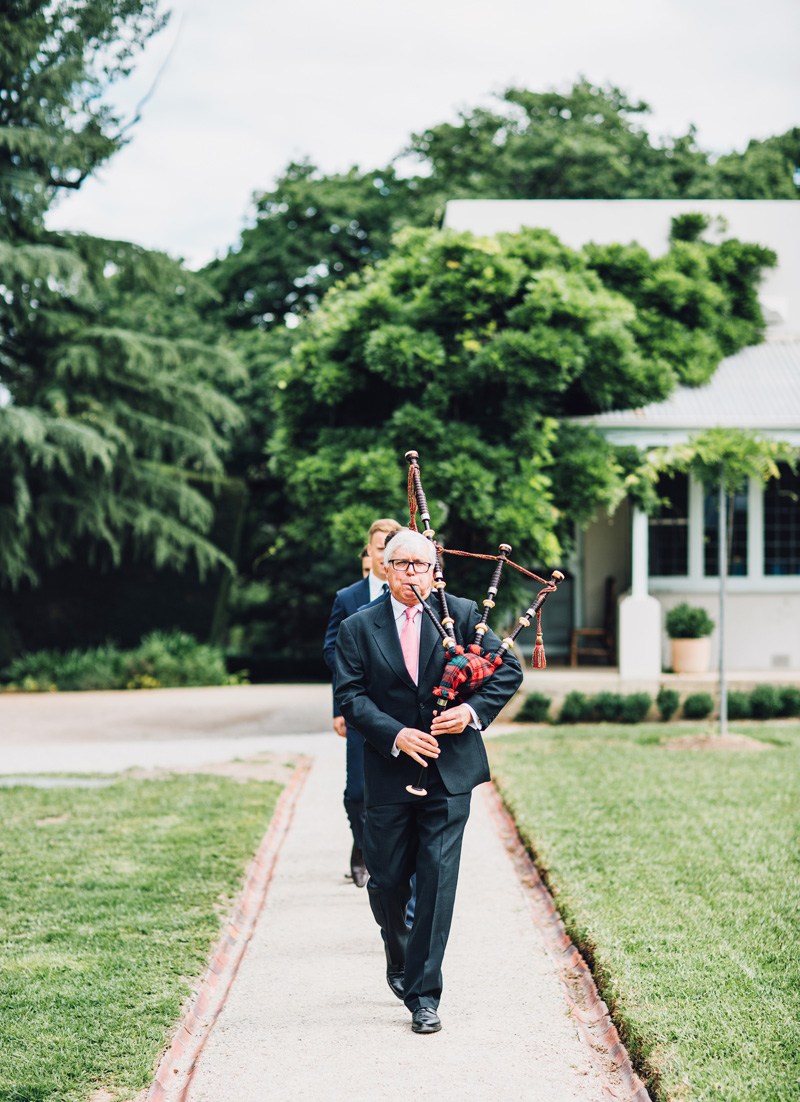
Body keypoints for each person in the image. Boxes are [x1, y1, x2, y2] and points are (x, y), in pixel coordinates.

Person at [335, 528, 522, 1034]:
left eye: (421, 564)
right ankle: (397, 956)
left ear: (435, 569)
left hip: (448, 772)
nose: (412, 573)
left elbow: (509, 671)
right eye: (401, 564)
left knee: (437, 884)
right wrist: (396, 735)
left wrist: (471, 712)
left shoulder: (463, 616)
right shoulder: (357, 627)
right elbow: (350, 697)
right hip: (390, 770)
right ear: (385, 569)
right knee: (389, 881)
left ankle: (424, 995)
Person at [323, 518, 401, 886]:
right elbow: (331, 651)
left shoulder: (412, 594)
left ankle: (385, 858)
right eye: (379, 547)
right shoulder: (348, 598)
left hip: (400, 710)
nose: (384, 554)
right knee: (357, 792)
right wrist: (340, 707)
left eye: (391, 547)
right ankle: (361, 846)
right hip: (360, 707)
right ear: (369, 552)